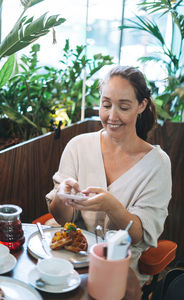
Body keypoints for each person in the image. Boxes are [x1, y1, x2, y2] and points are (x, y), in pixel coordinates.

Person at [46, 65, 172, 295]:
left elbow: (138, 236)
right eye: (106, 105)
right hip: (67, 258)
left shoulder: (157, 164)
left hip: (117, 265)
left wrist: (110, 206)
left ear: (141, 106)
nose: (112, 116)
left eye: (123, 107)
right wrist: (63, 196)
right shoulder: (78, 146)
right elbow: (60, 217)